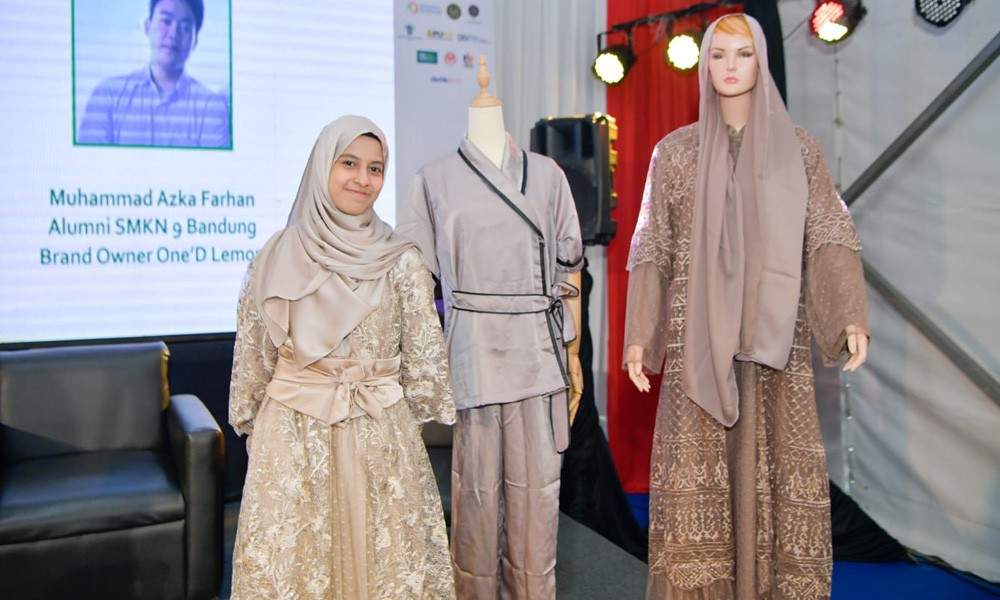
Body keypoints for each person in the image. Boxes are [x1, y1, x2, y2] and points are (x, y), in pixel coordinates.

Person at [623, 14, 869, 599]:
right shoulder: (674, 153)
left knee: (773, 471)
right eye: (718, 54)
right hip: (697, 346)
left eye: (743, 54)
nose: (730, 66)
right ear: (703, 65)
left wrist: (848, 315)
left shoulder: (799, 150)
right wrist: (640, 334)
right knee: (700, 485)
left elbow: (828, 231)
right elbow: (653, 245)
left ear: (762, 60)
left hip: (775, 346)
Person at [228, 115, 456, 599]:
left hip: (378, 434)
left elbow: (423, 360)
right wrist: (257, 424)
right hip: (295, 435)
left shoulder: (402, 260)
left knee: (385, 566)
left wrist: (399, 425)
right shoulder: (275, 257)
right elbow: (254, 355)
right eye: (348, 163)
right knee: (296, 566)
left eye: (375, 168)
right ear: (321, 166)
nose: (363, 179)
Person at [395, 57, 584, 599]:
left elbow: (571, 269)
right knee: (475, 501)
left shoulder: (547, 175)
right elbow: (411, 280)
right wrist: (420, 367)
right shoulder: (433, 179)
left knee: (538, 500)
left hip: (539, 353)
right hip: (473, 352)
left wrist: (572, 355)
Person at [77, 0, 230, 148]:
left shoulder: (210, 107)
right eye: (166, 21)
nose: (173, 34)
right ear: (147, 27)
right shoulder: (108, 94)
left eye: (185, 27)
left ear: (195, 42)